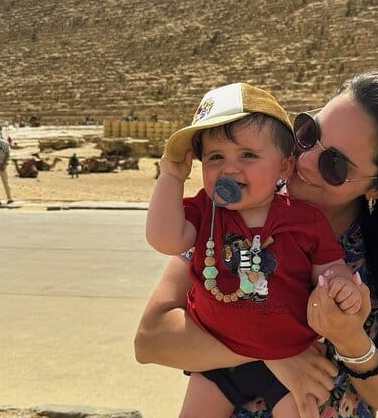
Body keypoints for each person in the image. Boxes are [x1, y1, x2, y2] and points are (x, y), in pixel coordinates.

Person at [135, 71, 378, 418]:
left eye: (334, 164)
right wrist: (275, 351)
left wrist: (351, 340)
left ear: (377, 187)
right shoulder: (233, 210)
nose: (305, 160)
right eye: (308, 133)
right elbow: (150, 339)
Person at [146, 82, 362, 417]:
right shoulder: (205, 211)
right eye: (216, 157)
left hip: (292, 353)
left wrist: (340, 284)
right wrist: (171, 178)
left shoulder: (305, 220)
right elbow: (164, 239)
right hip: (216, 359)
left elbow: (329, 266)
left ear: (285, 166)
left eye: (247, 155)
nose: (229, 168)